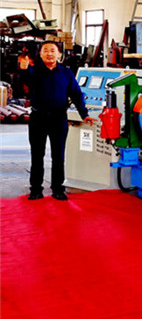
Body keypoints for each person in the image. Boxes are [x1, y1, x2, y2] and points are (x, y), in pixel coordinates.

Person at [18, 41, 96, 201]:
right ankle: (36, 190)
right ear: (40, 54)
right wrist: (23, 70)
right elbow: (24, 82)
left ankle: (58, 189)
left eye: (52, 50)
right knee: (37, 155)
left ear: (59, 54)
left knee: (58, 156)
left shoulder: (66, 73)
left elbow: (76, 94)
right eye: (45, 50)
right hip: (38, 118)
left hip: (58, 118)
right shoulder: (34, 71)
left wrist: (84, 114)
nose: (49, 53)